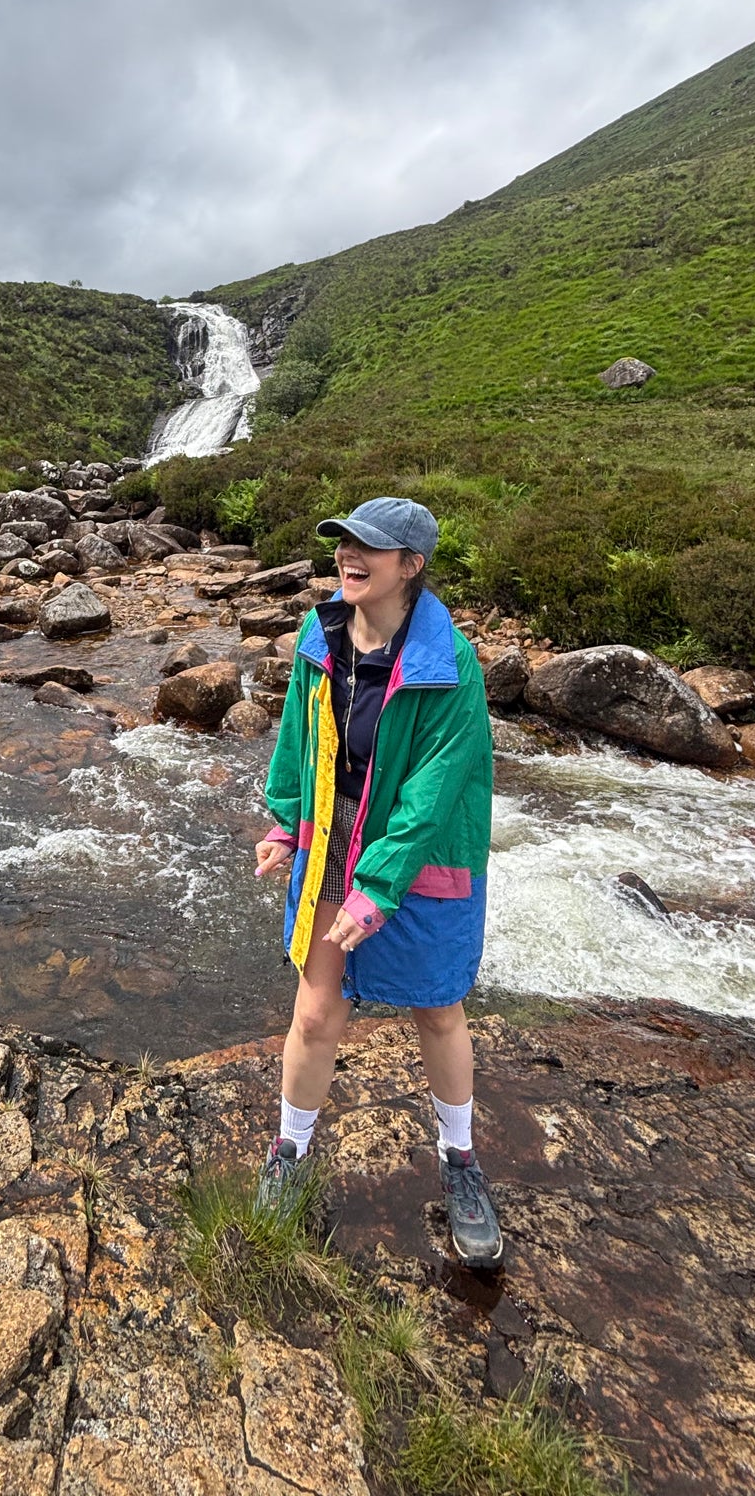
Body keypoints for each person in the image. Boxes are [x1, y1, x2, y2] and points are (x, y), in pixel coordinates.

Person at [253, 496, 501, 1268]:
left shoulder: (449, 662)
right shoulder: (319, 632)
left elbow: (435, 786)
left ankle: (460, 1161)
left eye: (370, 548)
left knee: (437, 1010)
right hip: (332, 833)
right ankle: (290, 1150)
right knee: (316, 1005)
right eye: (344, 545)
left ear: (412, 566)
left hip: (419, 849)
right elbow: (299, 734)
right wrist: (285, 822)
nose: (348, 557)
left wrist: (380, 883)